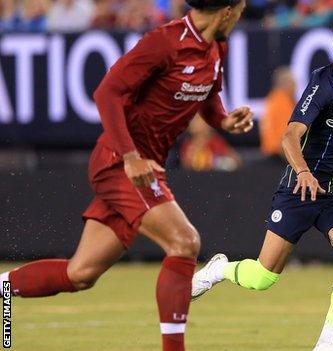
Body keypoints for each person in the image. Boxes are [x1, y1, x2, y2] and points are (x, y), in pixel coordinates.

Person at [0, 1, 253, 351]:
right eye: (240, 10)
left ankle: (2, 286)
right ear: (227, 10)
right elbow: (106, 92)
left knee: (81, 274)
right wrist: (132, 158)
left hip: (145, 167)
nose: (241, 17)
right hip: (121, 162)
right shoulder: (164, 41)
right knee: (184, 242)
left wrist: (224, 120)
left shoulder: (216, 47)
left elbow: (208, 98)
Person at [191, 17, 333, 351]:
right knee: (264, 277)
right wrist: (303, 172)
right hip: (300, 190)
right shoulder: (321, 85)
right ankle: (220, 270)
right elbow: (288, 136)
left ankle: (326, 342)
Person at [260, 66, 297, 160]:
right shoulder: (283, 102)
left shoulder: (272, 99)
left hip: (269, 152)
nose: (296, 87)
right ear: (285, 84)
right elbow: (286, 134)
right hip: (279, 154)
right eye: (293, 83)